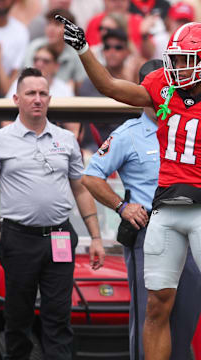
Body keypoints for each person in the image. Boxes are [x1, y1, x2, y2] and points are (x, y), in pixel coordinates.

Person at [56, 15, 201, 360]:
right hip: (164, 210)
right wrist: (84, 50)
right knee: (155, 307)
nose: (178, 67)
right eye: (176, 59)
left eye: (186, 60)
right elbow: (109, 86)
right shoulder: (160, 86)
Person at [0, 67, 105, 360]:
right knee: (18, 319)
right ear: (16, 98)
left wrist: (95, 236)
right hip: (19, 239)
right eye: (31, 93)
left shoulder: (66, 139)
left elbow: (81, 189)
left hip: (59, 236)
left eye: (42, 93)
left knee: (59, 318)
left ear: (49, 98)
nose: (37, 99)